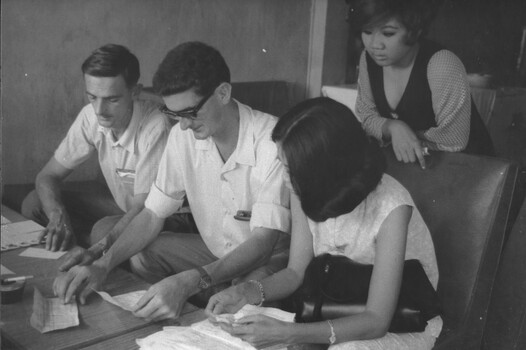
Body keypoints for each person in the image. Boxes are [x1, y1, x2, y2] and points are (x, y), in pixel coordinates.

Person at [53, 41, 291, 321]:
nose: (184, 124)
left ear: (223, 93)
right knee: (143, 253)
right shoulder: (182, 134)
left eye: (190, 112)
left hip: (267, 262)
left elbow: (262, 243)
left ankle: (204, 307)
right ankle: (189, 316)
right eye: (174, 114)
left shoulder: (272, 140)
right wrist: (102, 265)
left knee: (238, 310)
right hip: (214, 256)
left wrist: (192, 280)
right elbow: (153, 214)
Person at [206, 97, 443, 349]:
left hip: (399, 320)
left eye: (290, 169)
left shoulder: (392, 206)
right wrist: (245, 292)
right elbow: (295, 272)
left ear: (323, 169)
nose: (284, 178)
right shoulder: (302, 187)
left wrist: (290, 334)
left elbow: (376, 320)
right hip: (332, 306)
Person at [21, 44, 172, 253]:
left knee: (102, 231)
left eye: (112, 99)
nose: (100, 111)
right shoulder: (90, 116)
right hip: (124, 209)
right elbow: (47, 176)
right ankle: (82, 244)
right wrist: (58, 215)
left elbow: (143, 210)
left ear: (135, 92)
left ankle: (92, 249)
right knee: (35, 202)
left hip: (155, 217)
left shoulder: (155, 126)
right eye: (92, 97)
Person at [350, 0, 493, 169]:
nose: (375, 45)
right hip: (416, 165)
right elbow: (366, 116)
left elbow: (454, 141)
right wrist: (393, 127)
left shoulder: (442, 64)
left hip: (468, 169)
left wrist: (404, 137)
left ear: (414, 31)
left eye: (388, 33)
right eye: (367, 31)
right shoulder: (368, 59)